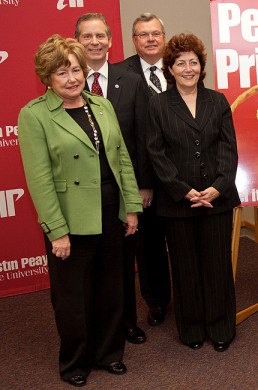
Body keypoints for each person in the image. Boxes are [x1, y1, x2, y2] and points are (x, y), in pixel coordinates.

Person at [17, 35, 142, 387]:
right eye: (62, 72)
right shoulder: (34, 115)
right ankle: (75, 362)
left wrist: (130, 207)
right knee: (73, 297)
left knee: (111, 288)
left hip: (110, 210)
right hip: (70, 218)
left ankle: (108, 353)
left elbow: (121, 159)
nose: (72, 78)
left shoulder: (101, 106)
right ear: (47, 77)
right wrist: (56, 230)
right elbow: (39, 180)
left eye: (76, 69)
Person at [146, 33, 240, 352]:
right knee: (185, 268)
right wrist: (183, 190)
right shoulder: (158, 104)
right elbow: (155, 152)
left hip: (217, 198)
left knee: (216, 265)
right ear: (169, 69)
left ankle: (221, 327)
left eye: (194, 62)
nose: (188, 68)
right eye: (180, 63)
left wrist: (217, 187)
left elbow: (229, 148)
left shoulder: (218, 101)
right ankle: (192, 329)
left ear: (202, 66)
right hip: (178, 202)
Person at [75, 12, 151, 345]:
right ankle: (95, 327)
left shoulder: (131, 80)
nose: (94, 42)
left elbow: (143, 138)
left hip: (124, 188)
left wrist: (143, 185)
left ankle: (127, 322)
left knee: (123, 259)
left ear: (110, 40)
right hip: (83, 191)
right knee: (89, 264)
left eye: (100, 36)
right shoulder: (68, 81)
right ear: (77, 41)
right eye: (87, 37)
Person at [116, 13, 172, 327]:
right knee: (148, 246)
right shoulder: (120, 74)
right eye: (142, 35)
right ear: (134, 40)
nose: (149, 39)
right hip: (144, 178)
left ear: (164, 37)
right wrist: (142, 182)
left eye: (155, 33)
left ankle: (190, 298)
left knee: (181, 242)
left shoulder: (183, 67)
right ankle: (157, 302)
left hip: (181, 177)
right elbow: (125, 135)